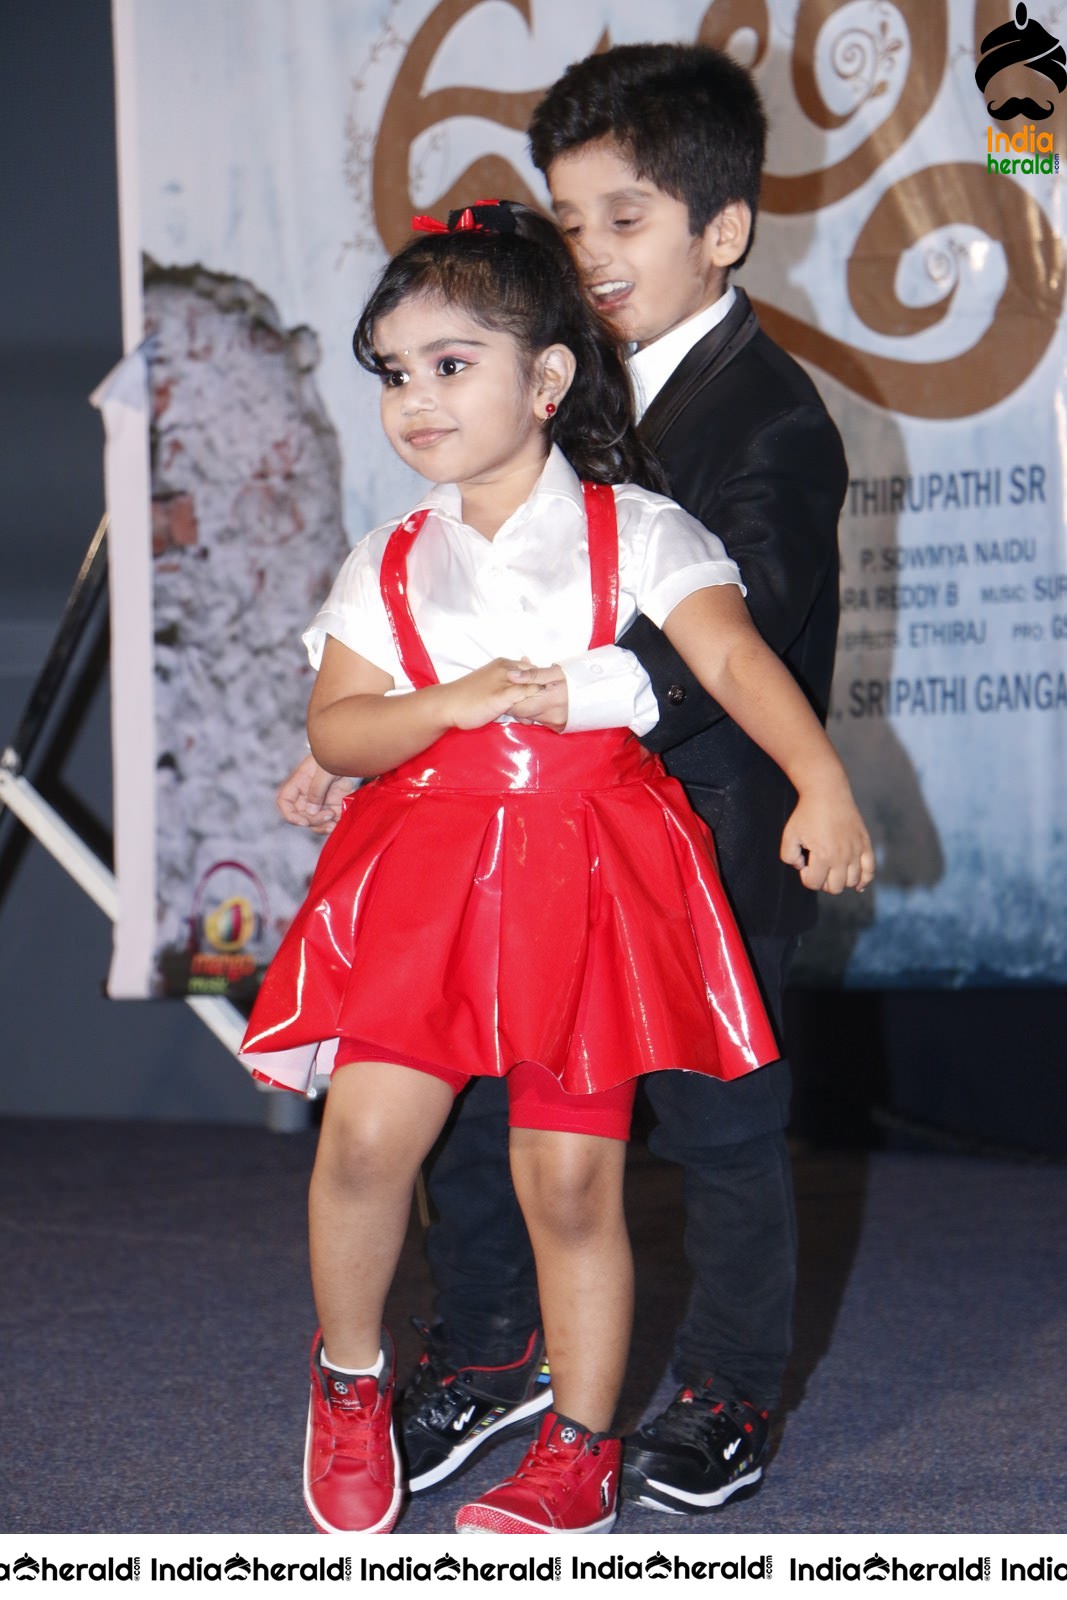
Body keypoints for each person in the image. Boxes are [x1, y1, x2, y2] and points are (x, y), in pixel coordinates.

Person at [244, 198, 873, 1536]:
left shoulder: (639, 532)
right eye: (395, 374)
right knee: (365, 1141)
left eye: (451, 364)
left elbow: (735, 664)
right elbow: (340, 725)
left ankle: (580, 1443)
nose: (416, 400)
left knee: (572, 1181)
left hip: (584, 880)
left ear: (546, 379)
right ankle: (349, 1377)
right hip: (428, 887)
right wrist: (451, 705)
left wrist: (820, 779)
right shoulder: (389, 559)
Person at [385, 42, 855, 1518]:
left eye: (626, 218)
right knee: (475, 1096)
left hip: (709, 836)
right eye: (567, 219)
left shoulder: (772, 419)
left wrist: (525, 715)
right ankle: (491, 1344)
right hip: (533, 834)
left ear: (722, 229)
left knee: (721, 1127)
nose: (587, 252)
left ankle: (727, 1389)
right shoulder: (548, 389)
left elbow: (713, 637)